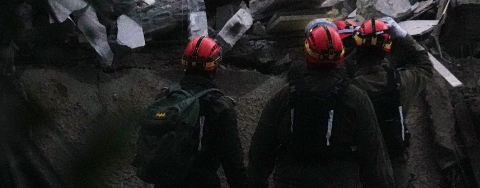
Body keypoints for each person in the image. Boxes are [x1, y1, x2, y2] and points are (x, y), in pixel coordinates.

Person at [247, 24, 394, 188]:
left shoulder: (285, 96)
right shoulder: (356, 98)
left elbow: (261, 148)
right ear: (341, 55)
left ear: (306, 52)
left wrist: (255, 181)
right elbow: (373, 154)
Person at [136, 37, 249, 188]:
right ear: (214, 66)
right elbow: (233, 164)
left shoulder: (166, 98)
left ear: (184, 64)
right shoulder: (219, 106)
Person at [349, 18, 433, 188]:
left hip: (360, 169)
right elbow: (425, 65)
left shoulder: (348, 90)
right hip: (395, 167)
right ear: (386, 49)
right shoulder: (402, 83)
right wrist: (403, 36)